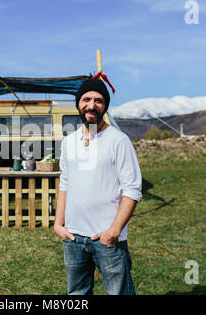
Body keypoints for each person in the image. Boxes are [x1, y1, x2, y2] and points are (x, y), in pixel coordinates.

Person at [54, 77, 142, 295]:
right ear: (78, 104)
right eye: (86, 99)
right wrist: (58, 224)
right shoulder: (69, 142)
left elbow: (132, 190)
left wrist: (113, 232)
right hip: (73, 237)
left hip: (107, 239)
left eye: (98, 100)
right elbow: (65, 183)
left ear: (105, 106)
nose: (92, 105)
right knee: (77, 295)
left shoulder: (118, 141)